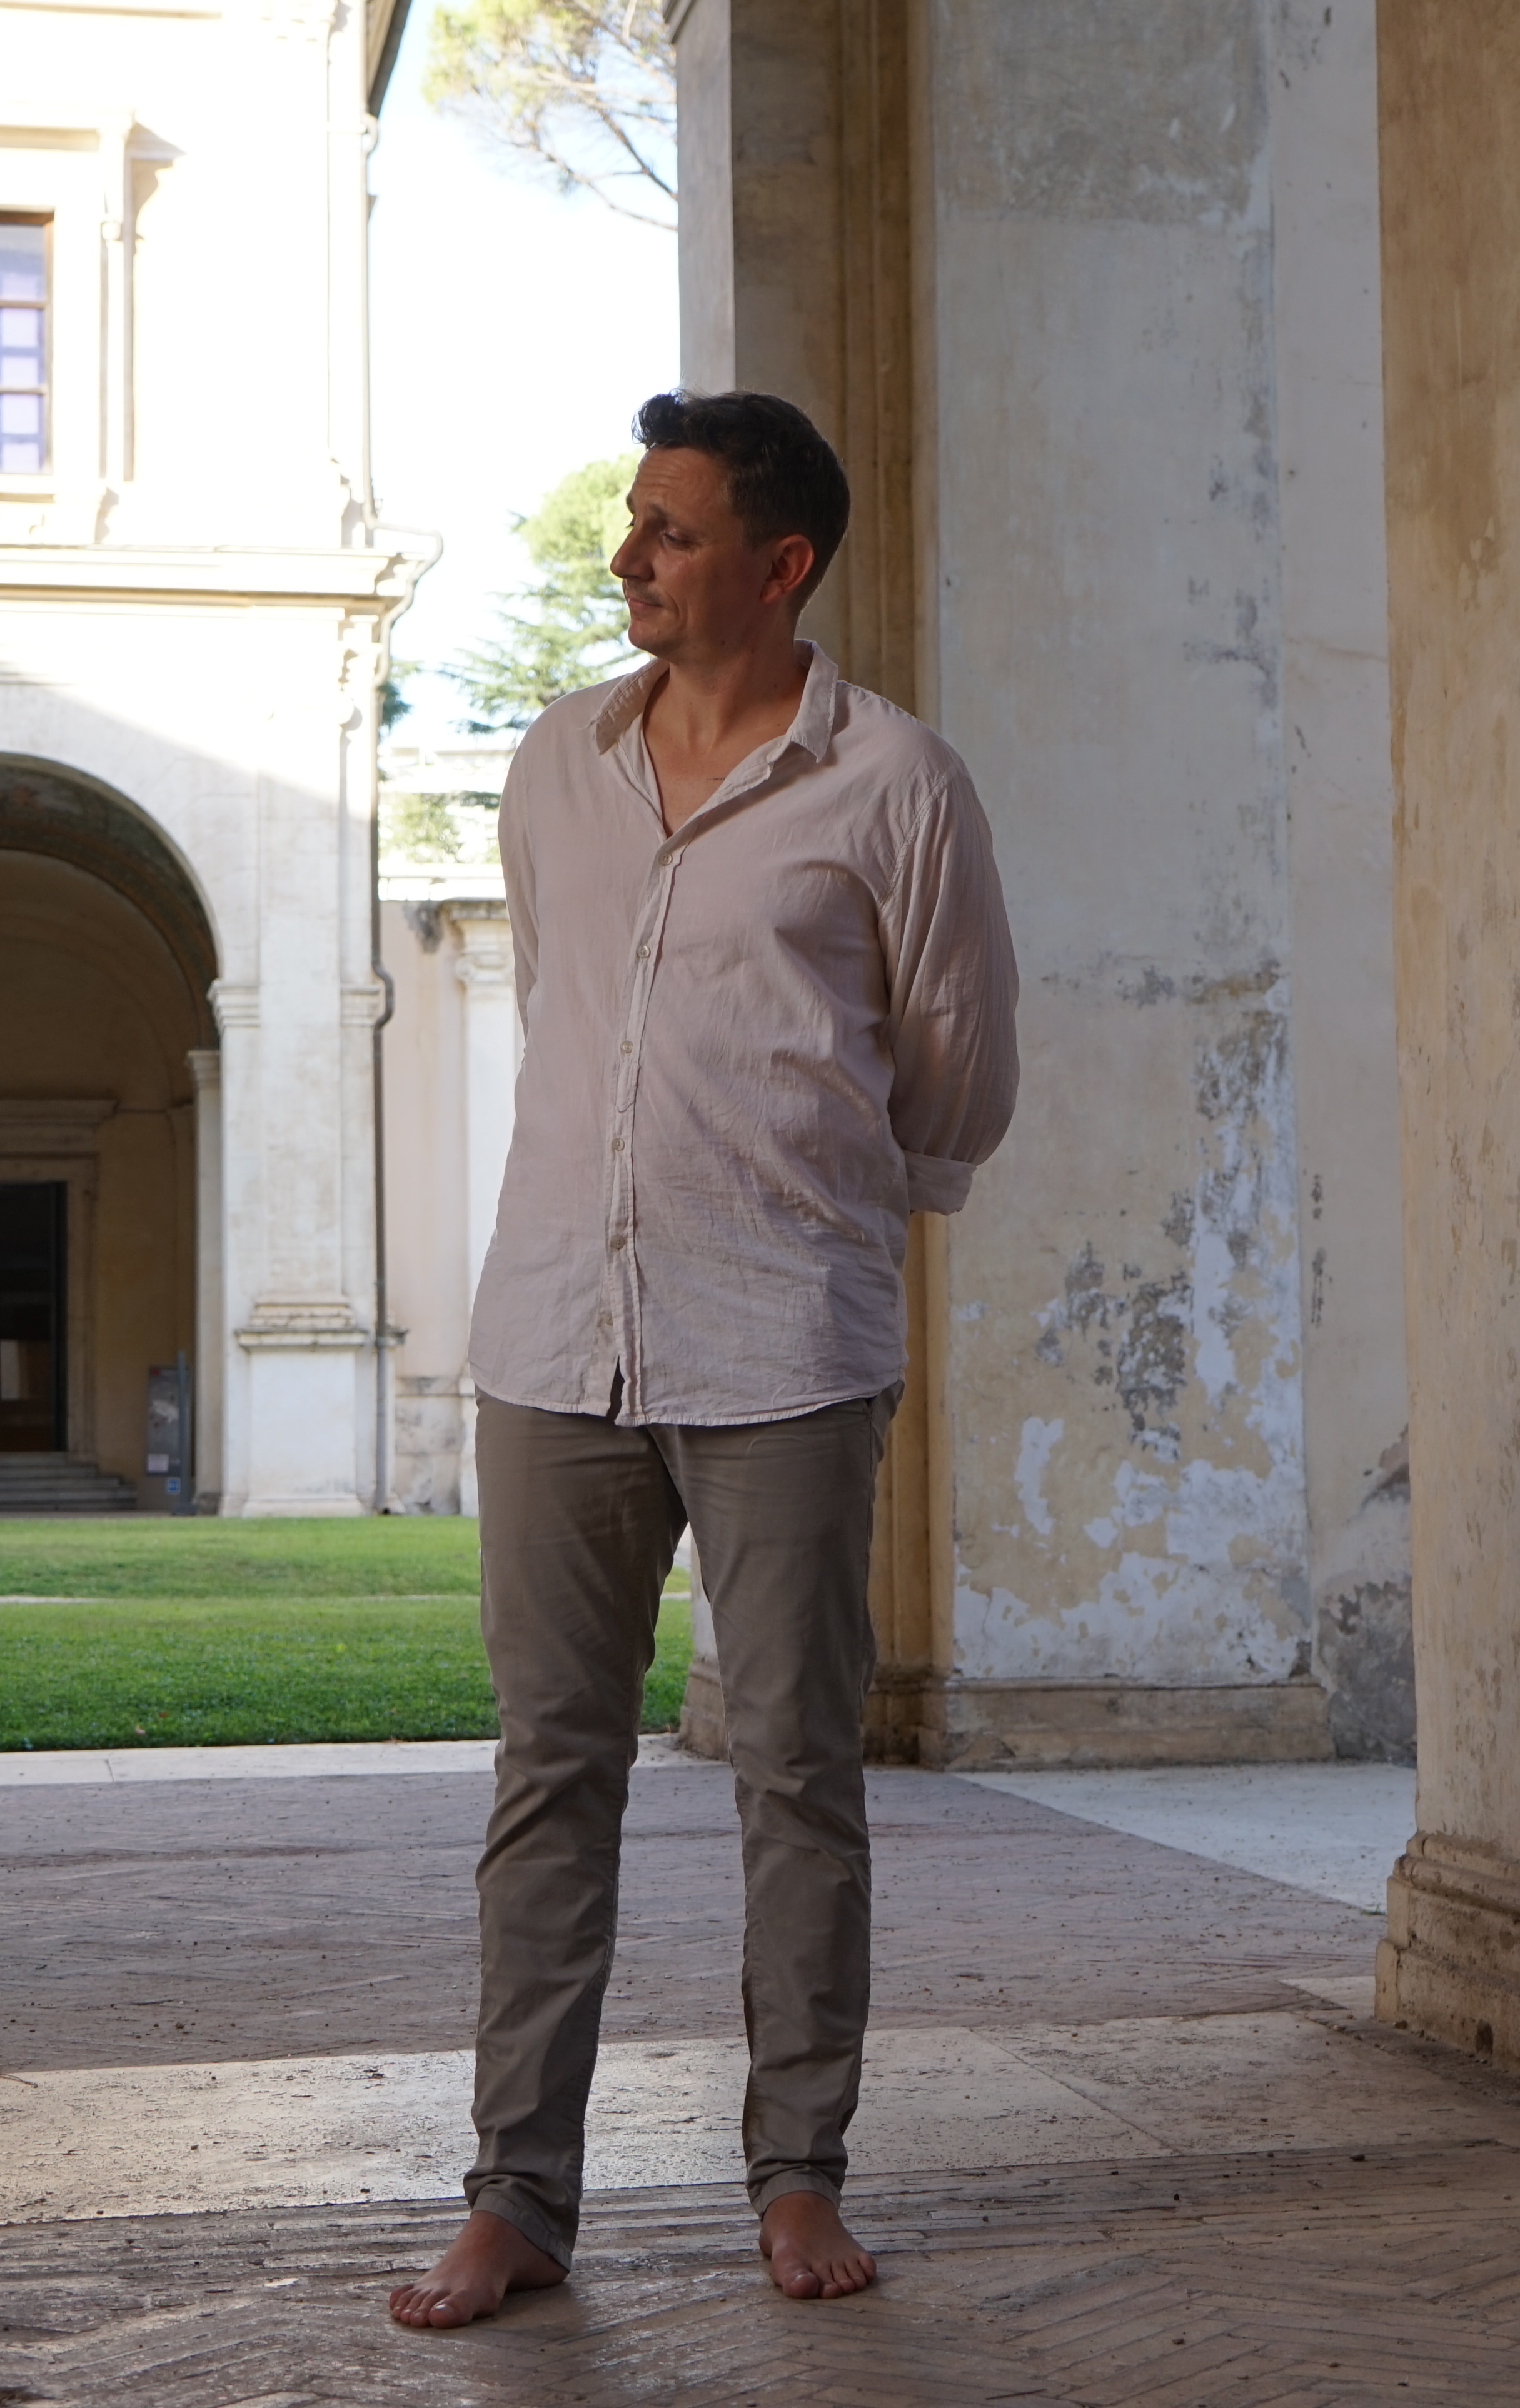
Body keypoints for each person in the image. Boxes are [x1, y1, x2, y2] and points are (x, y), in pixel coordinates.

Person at [388, 391, 1022, 2329]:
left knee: (797, 1773)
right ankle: (517, 2197)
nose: (629, 557)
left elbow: (959, 1075)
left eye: (670, 529)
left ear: (779, 562)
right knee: (548, 1774)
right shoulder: (555, 763)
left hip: (784, 1341)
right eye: (634, 524)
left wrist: (814, 1202)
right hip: (555, 1335)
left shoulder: (897, 782)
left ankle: (798, 2169)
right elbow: (570, 1008)